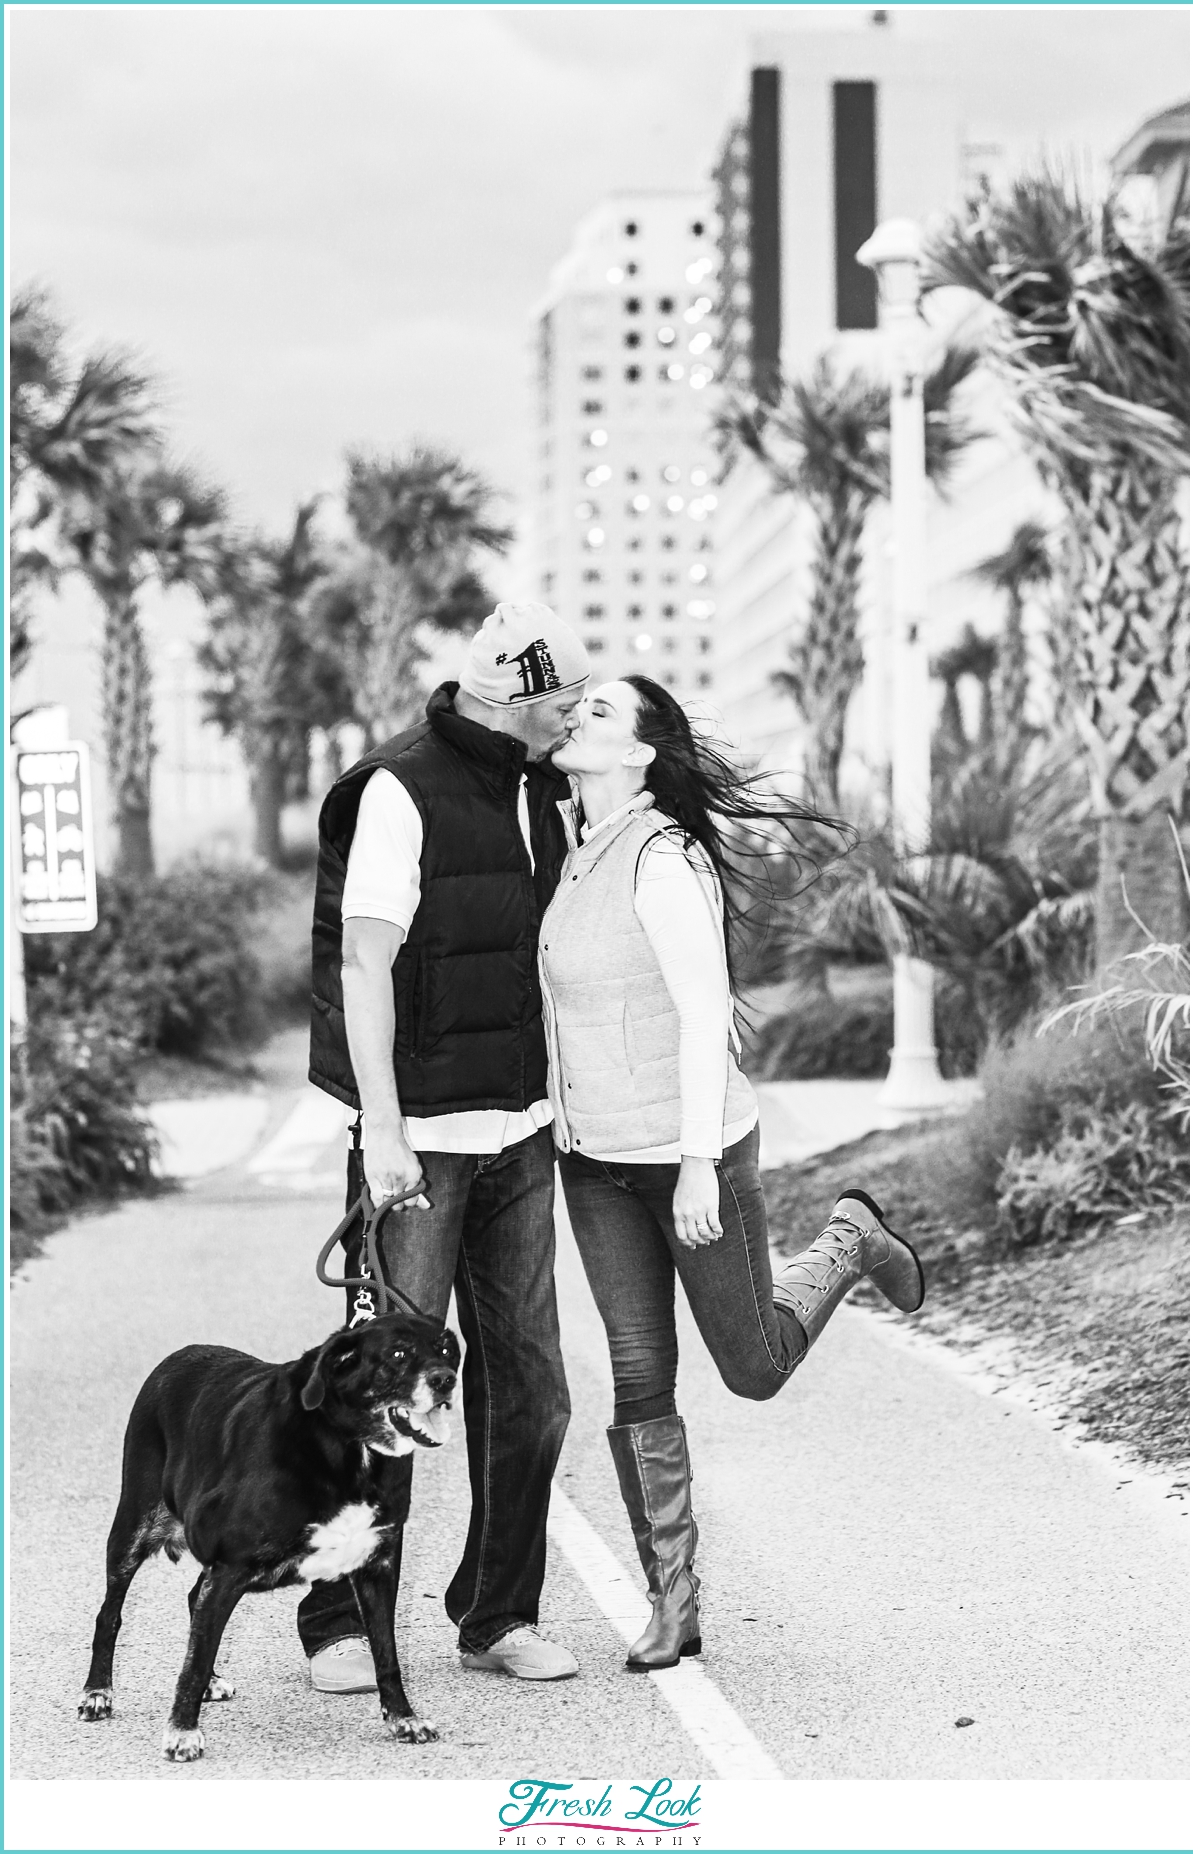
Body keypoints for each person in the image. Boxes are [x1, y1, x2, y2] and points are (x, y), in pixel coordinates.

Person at [539, 676, 925, 1672]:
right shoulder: (568, 852)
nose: (575, 717)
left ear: (636, 754)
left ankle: (846, 1240)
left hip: (690, 1152)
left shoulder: (661, 858)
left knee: (753, 1368)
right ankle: (674, 1602)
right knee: (636, 1371)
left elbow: (706, 1015)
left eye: (599, 714)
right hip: (596, 1163)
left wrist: (700, 1165)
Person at [302, 601, 590, 1691]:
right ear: (515, 699)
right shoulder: (398, 788)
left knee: (534, 1390)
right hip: (417, 1147)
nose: (572, 716)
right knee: (382, 1389)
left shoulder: (540, 788)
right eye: (564, 700)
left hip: (519, 1134)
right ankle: (336, 1620)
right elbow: (364, 965)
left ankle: (496, 1613)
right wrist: (380, 1125)